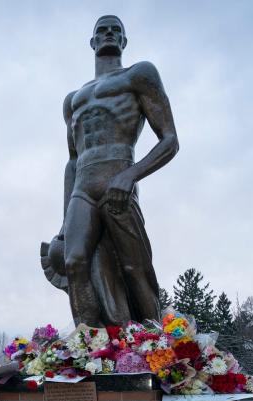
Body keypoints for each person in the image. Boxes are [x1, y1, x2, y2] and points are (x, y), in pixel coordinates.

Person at [41, 14, 179, 327]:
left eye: (115, 30)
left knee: (134, 269)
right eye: (101, 30)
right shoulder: (73, 100)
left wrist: (131, 176)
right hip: (84, 187)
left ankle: (153, 341)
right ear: (92, 41)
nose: (108, 33)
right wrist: (65, 224)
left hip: (119, 177)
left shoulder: (139, 75)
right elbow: (73, 162)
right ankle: (89, 348)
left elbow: (170, 140)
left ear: (124, 41)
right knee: (74, 260)